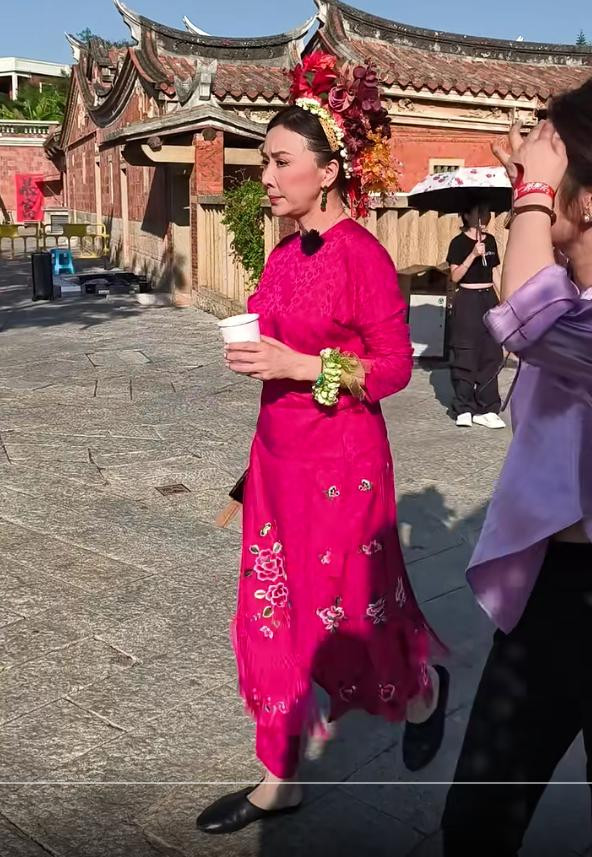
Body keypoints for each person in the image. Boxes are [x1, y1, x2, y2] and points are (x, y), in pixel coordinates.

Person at [196, 52, 448, 836]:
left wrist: (303, 365)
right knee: (274, 614)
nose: (267, 177)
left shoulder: (362, 256)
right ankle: (280, 779)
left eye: (281, 162)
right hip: (277, 462)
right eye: (264, 162)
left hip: (344, 466)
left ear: (328, 171)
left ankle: (421, 691)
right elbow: (273, 347)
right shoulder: (280, 254)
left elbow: (395, 366)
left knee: (345, 615)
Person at [442, 79, 592, 856]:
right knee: (475, 824)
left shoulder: (566, 317)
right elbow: (539, 304)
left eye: (548, 164)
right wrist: (537, 188)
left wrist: (534, 194)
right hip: (555, 591)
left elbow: (526, 320)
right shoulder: (574, 297)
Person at [446, 201, 506, 429]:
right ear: (466, 215)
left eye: (487, 212)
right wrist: (472, 255)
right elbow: (455, 276)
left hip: (488, 297)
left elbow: (494, 272)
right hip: (467, 299)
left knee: (490, 351)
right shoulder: (458, 243)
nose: (485, 216)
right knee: (466, 352)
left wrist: (504, 300)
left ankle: (488, 408)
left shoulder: (490, 241)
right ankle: (463, 407)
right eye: (479, 211)